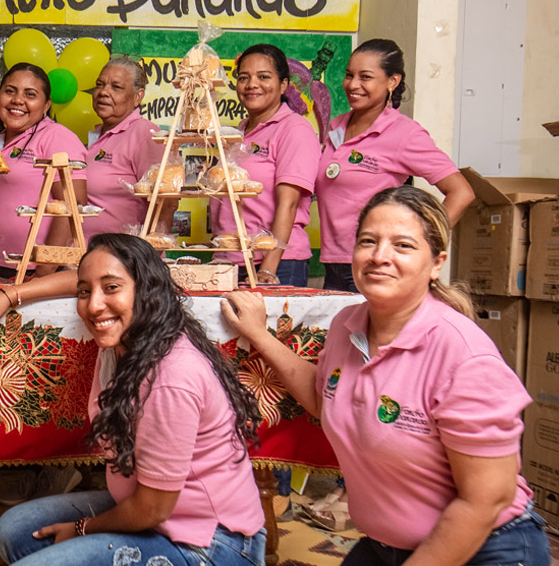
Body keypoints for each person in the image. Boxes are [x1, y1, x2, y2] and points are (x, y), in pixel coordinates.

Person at [223, 186, 547, 565]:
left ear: (437, 262)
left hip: (485, 546)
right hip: (384, 545)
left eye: (403, 245)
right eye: (368, 241)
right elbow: (323, 394)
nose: (380, 257)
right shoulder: (348, 324)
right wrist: (260, 335)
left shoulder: (462, 355)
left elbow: (485, 500)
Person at [0, 233, 266, 566]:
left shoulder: (170, 378)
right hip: (157, 517)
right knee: (16, 529)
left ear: (147, 292)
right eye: (85, 292)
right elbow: (83, 277)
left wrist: (84, 528)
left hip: (211, 544)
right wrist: (10, 295)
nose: (94, 305)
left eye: (111, 288)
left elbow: (152, 508)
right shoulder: (127, 342)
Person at [315, 39, 473, 292]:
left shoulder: (403, 133)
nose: (353, 85)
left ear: (392, 81)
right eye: (349, 75)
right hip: (334, 264)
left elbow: (461, 192)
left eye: (365, 77)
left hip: (376, 265)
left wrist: (424, 243)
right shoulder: (335, 127)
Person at [210, 44, 321, 286]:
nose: (252, 85)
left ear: (283, 85)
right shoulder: (236, 134)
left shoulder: (294, 129)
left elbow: (289, 204)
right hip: (230, 261)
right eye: (243, 77)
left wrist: (268, 270)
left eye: (263, 77)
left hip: (275, 262)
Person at [0, 62, 88, 280]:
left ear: (46, 104)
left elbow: (73, 204)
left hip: (39, 271)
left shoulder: (56, 136)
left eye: (30, 94)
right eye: (10, 91)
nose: (17, 100)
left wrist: (45, 269)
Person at [82, 57, 168, 238]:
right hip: (87, 255)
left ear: (138, 97)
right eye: (99, 84)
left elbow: (166, 201)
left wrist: (149, 254)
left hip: (125, 257)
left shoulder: (145, 133)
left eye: (116, 87)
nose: (104, 92)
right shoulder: (97, 135)